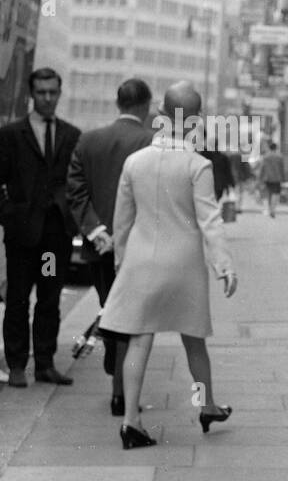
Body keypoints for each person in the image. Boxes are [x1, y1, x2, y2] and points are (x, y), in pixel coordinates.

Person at [99, 83, 237, 449]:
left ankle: (131, 422)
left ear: (160, 114)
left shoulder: (135, 162)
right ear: (196, 119)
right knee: (194, 342)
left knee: (138, 341)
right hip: (184, 267)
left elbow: (121, 222)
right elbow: (210, 220)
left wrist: (120, 263)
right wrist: (224, 265)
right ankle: (207, 406)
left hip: (141, 263)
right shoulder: (198, 164)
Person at [66, 77, 153, 415]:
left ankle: (116, 379)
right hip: (139, 247)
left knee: (111, 308)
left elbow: (75, 191)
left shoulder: (89, 141)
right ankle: (121, 393)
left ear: (118, 104)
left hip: (100, 247)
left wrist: (97, 230)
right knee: (133, 321)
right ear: (145, 106)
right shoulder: (152, 141)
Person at [0, 67, 81, 387]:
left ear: (60, 94)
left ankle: (44, 363)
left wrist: (70, 219)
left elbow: (76, 182)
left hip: (53, 238)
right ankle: (18, 364)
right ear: (31, 95)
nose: (47, 98)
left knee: (49, 297)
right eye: (41, 92)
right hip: (22, 235)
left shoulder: (70, 135)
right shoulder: (10, 135)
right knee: (18, 298)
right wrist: (7, 214)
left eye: (52, 92)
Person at [257, 141, 286, 218]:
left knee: (268, 193)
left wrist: (260, 178)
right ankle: (273, 210)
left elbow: (262, 168)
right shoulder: (280, 157)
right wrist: (283, 178)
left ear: (269, 148)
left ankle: (269, 209)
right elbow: (282, 169)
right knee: (275, 194)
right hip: (277, 178)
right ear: (276, 148)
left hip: (267, 178)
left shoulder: (266, 157)